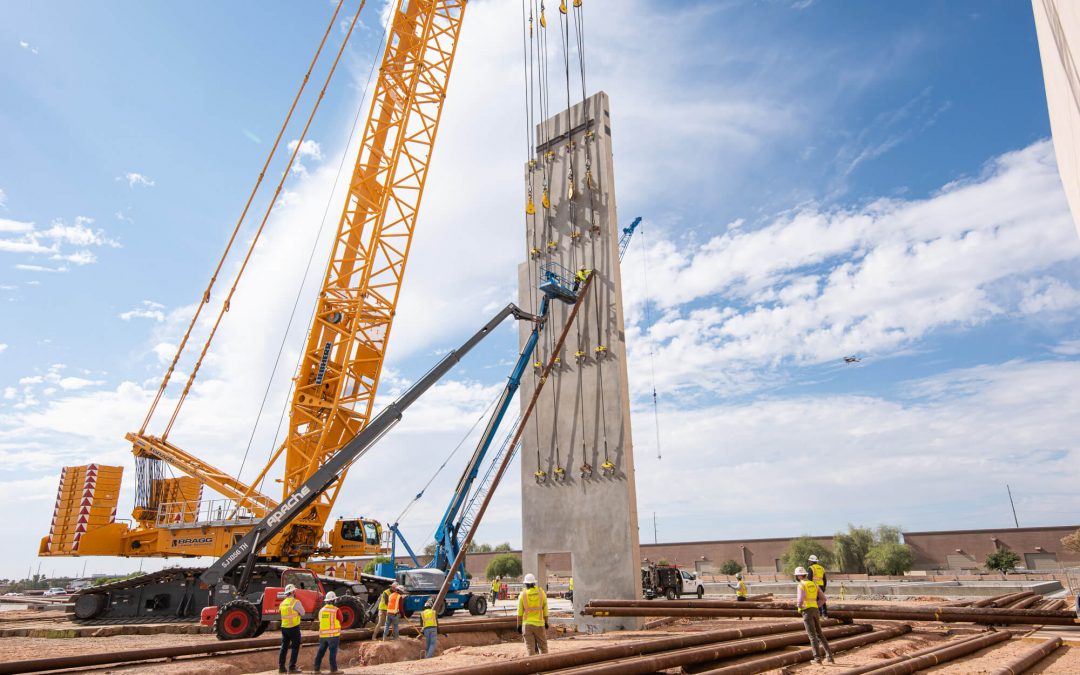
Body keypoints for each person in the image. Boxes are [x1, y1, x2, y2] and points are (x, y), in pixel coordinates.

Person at [795, 566, 834, 665]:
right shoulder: (814, 584)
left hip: (807, 611)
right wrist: (816, 605)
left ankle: (817, 659)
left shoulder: (801, 585)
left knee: (812, 636)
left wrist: (799, 607)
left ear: (799, 576)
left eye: (797, 576)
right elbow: (823, 598)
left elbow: (800, 600)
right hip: (816, 610)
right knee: (820, 634)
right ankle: (830, 657)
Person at [516, 572, 549, 655]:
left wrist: (519, 625)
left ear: (526, 584)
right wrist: (546, 622)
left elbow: (519, 612)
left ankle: (532, 663)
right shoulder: (541, 593)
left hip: (527, 626)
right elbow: (545, 609)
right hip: (540, 625)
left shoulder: (522, 595)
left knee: (530, 649)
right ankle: (546, 662)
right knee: (543, 648)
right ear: (534, 583)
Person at [313, 591, 343, 674]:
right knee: (332, 653)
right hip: (333, 636)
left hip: (323, 636)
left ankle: (316, 669)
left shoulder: (321, 610)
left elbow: (320, 620)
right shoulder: (336, 610)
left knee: (320, 652)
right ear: (333, 600)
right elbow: (341, 619)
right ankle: (333, 670)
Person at [278, 583, 303, 674]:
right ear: (292, 592)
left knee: (284, 647)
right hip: (294, 627)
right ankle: (292, 668)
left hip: (284, 628)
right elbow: (303, 612)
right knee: (295, 647)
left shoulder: (282, 603)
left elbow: (280, 613)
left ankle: (281, 668)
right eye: (294, 591)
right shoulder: (296, 602)